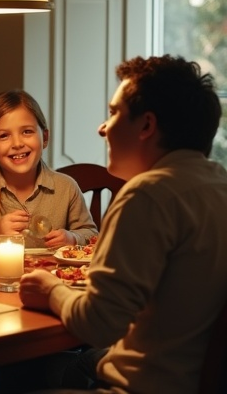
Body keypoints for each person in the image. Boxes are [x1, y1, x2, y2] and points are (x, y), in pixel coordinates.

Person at [19, 55, 227, 394]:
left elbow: (98, 324)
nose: (103, 127)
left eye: (114, 113)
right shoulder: (218, 185)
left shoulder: (147, 196)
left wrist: (50, 289)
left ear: (146, 126)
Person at [0, 89, 98, 255]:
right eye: (4, 136)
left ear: (45, 138)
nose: (17, 143)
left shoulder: (66, 187)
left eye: (27, 132)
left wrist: (72, 238)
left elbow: (91, 235)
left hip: (52, 278)